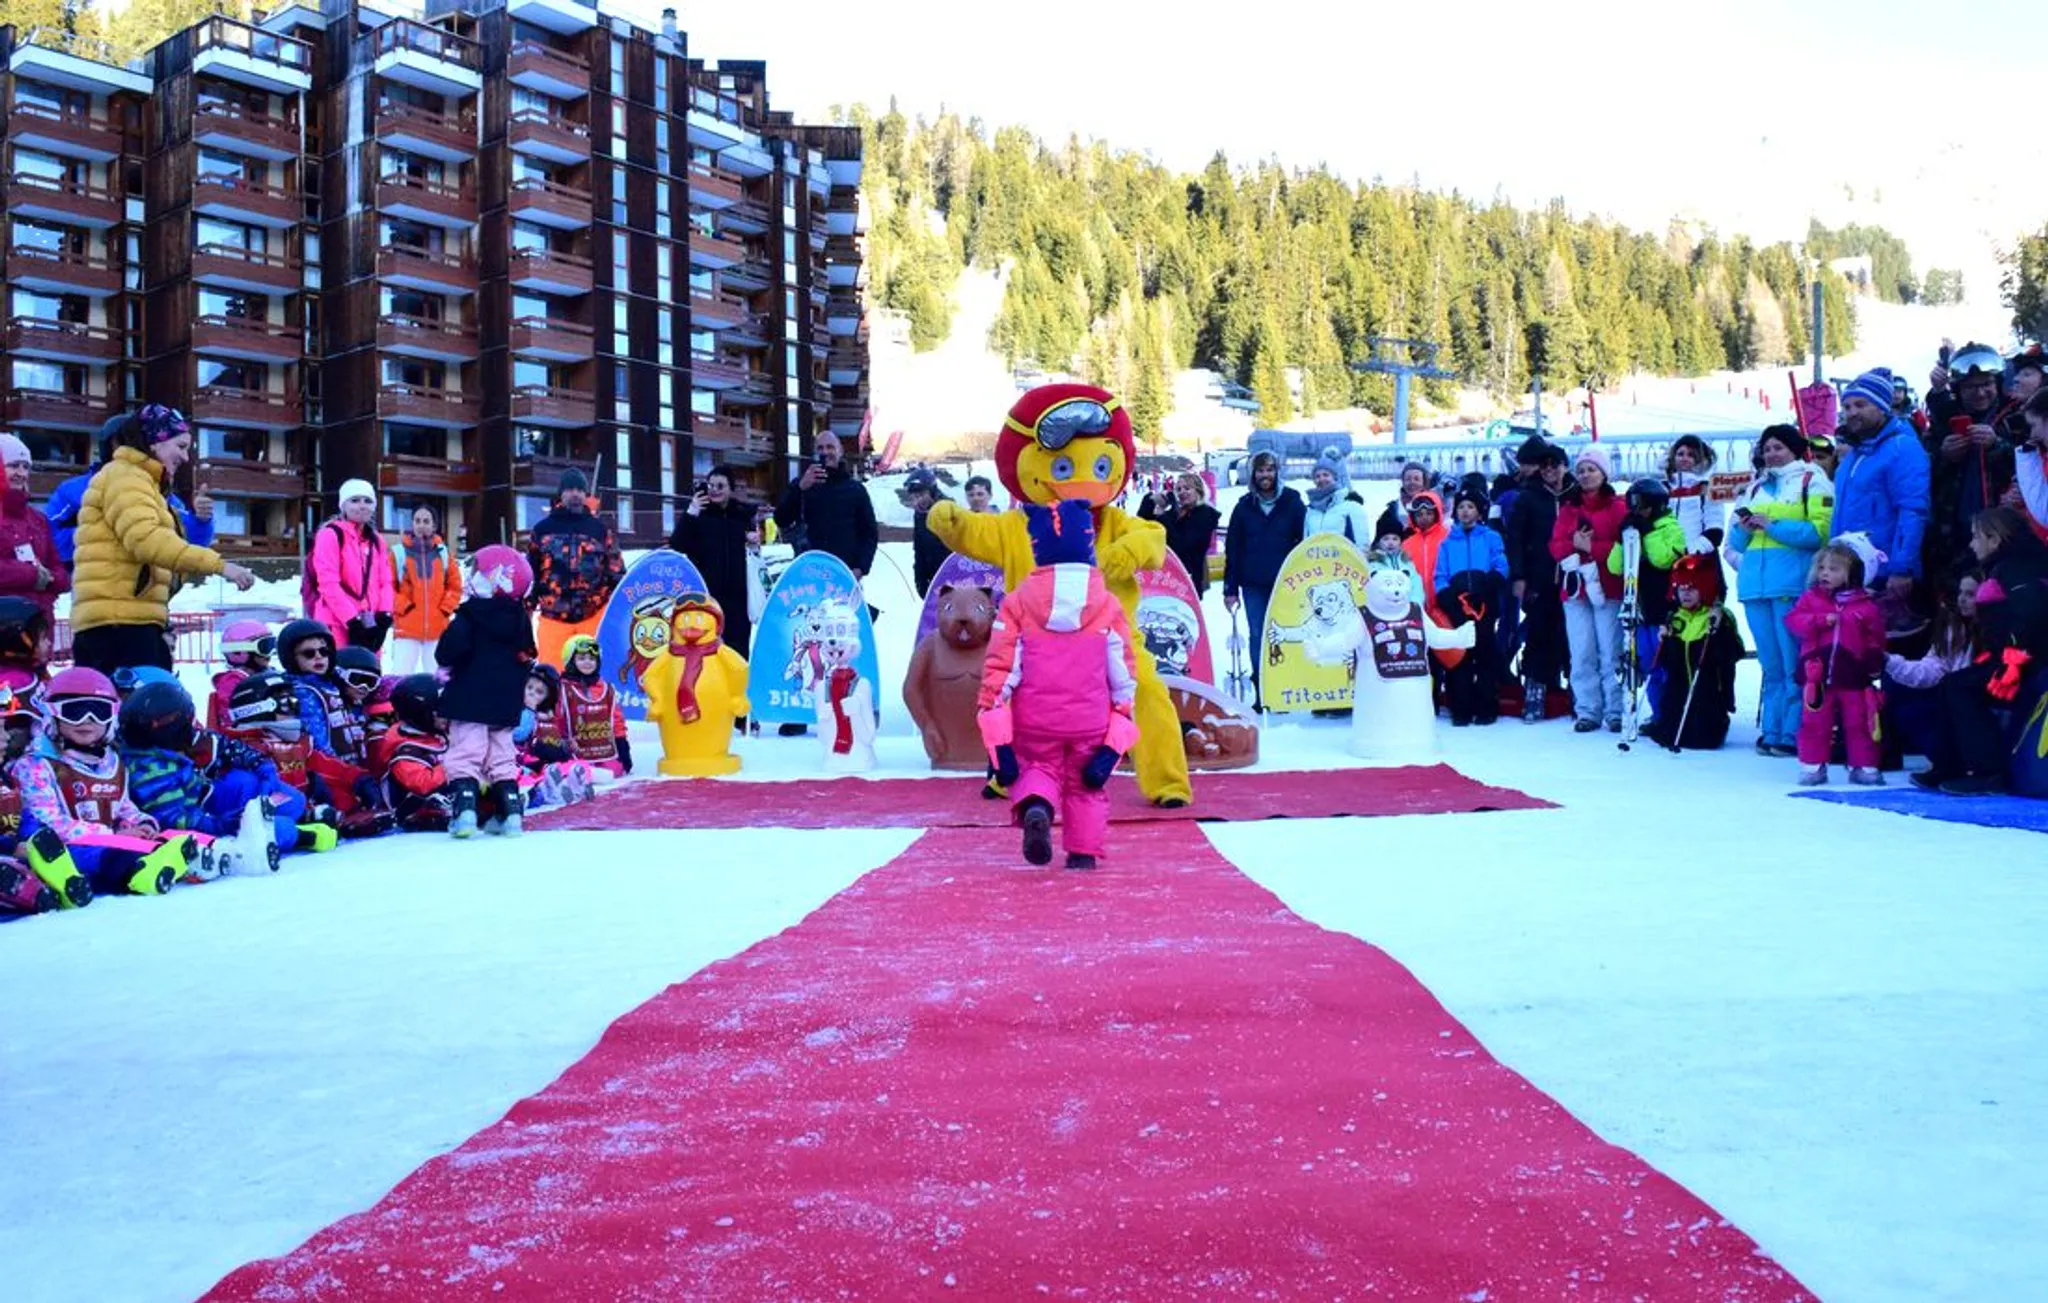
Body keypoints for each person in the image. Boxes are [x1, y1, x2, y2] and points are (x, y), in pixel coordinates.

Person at [976, 501, 1140, 871]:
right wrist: (1120, 720)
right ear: (1088, 547)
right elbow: (1122, 671)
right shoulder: (1108, 605)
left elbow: (1001, 668)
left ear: (1038, 550)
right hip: (1091, 718)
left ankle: (1038, 806)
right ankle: (1082, 854)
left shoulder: (1017, 603)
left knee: (1037, 766)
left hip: (1036, 718)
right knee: (1085, 787)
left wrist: (996, 730)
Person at [69, 405, 256, 674]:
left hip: (128, 621)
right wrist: (220, 566)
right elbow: (148, 541)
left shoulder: (145, 483)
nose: (185, 456)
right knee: (146, 710)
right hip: (118, 627)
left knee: (155, 704)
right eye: (180, 446)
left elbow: (166, 549)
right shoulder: (126, 478)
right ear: (155, 443)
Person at [9, 667, 197, 899]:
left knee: (167, 837)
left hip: (110, 841)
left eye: (99, 711)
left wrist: (140, 823)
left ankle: (196, 856)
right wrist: (111, 834)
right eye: (74, 711)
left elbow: (124, 805)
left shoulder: (111, 763)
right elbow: (47, 822)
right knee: (106, 855)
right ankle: (140, 872)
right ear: (52, 715)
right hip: (66, 851)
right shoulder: (37, 765)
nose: (87, 720)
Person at [1913, 507, 2048, 794]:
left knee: (1962, 688)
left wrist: (2011, 659)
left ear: (1995, 538)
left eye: (1976, 537)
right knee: (1953, 683)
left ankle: (1987, 770)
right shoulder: (2009, 565)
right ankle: (1949, 764)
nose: (1972, 544)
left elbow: (2031, 616)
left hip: (2027, 663)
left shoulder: (2018, 568)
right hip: (2016, 657)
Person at [1725, 425, 1832, 757]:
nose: (1772, 454)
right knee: (1770, 665)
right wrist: (1746, 530)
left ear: (1795, 449)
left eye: (1778, 448)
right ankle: (1771, 730)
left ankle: (1793, 731)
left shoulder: (1811, 480)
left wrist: (1772, 525)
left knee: (1792, 663)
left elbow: (1819, 532)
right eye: (1767, 448)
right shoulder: (1755, 486)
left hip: (1790, 583)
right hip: (1755, 587)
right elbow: (1734, 542)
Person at [439, 545, 539, 837]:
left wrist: (448, 660)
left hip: (469, 700)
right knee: (502, 757)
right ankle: (510, 815)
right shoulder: (520, 618)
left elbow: (449, 651)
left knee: (466, 755)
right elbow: (527, 654)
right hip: (504, 702)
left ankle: (465, 813)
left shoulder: (470, 615)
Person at [44, 414, 215, 564]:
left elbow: (189, 544)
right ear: (111, 444)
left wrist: (201, 520)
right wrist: (105, 535)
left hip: (144, 594)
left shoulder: (162, 494)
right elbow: (45, 541)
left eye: (138, 443)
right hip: (90, 590)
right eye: (127, 442)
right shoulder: (76, 489)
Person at [1786, 537, 1889, 786]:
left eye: (1834, 569)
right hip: (1816, 676)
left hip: (1853, 675)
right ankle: (1813, 765)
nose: (1825, 574)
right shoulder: (1811, 599)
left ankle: (1863, 765)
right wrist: (1819, 620)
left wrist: (1873, 663)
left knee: (1860, 722)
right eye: (1822, 568)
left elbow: (1876, 638)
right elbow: (1794, 622)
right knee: (1814, 722)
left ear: (1852, 572)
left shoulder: (1865, 606)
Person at [1831, 368, 1930, 617]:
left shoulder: (1901, 447)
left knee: (1884, 651)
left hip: (1883, 572)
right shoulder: (1854, 454)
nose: (1852, 412)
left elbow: (1913, 510)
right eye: (1847, 406)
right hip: (1850, 568)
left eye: (1861, 405)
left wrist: (1902, 568)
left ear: (1882, 407)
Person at [1549, 446, 1629, 733]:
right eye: (1581, 470)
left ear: (1604, 473)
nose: (1585, 475)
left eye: (1591, 469)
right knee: (1581, 651)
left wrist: (1592, 548)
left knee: (1610, 650)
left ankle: (1615, 709)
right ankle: (1587, 709)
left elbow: (1626, 547)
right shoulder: (1569, 507)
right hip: (1576, 589)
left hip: (1608, 587)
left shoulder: (1619, 507)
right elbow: (1556, 544)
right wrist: (1574, 547)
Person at [1924, 343, 2015, 586]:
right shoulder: (1944, 419)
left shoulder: (2015, 417)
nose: (1980, 392)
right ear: (1958, 389)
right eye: (1970, 387)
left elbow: (2029, 464)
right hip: (1953, 530)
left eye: (1986, 384)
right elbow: (1921, 470)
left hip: (2001, 529)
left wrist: (1997, 446)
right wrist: (1943, 455)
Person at [1220, 449, 1305, 711]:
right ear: (1253, 474)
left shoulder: (1292, 501)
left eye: (1269, 469)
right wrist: (1229, 588)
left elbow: (1303, 541)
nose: (1265, 475)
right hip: (1253, 582)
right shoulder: (1244, 506)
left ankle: (1285, 687)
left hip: (1285, 583)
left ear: (1277, 472)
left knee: (1285, 634)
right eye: (1260, 470)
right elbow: (1233, 549)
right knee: (1258, 635)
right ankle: (1262, 691)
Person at [526, 468, 625, 670]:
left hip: (593, 615)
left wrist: (618, 607)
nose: (575, 494)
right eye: (570, 489)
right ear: (561, 493)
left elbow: (615, 571)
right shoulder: (542, 529)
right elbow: (531, 574)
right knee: (551, 676)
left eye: (580, 490)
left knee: (593, 674)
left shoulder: (599, 529)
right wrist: (526, 608)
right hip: (553, 617)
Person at [1643, 552, 1743, 751]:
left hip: (1708, 690)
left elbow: (1733, 652)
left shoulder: (1718, 616)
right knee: (1668, 730)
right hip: (1679, 691)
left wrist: (1718, 633)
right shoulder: (1675, 618)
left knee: (1704, 738)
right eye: (1681, 589)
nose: (1685, 594)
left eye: (1692, 588)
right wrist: (1666, 641)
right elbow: (1667, 663)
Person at [1883, 570, 1980, 766]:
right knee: (1892, 689)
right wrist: (1888, 661)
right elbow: (1932, 669)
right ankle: (1887, 755)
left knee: (1925, 709)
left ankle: (1960, 762)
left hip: (1975, 703)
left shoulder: (1991, 631)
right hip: (1951, 697)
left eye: (1971, 595)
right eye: (1961, 593)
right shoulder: (1953, 629)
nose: (1962, 600)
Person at [1503, 442, 1569, 721]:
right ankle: (1535, 689)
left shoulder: (1575, 493)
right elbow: (1515, 539)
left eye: (1555, 465)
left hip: (1572, 576)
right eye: (1545, 466)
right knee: (1538, 632)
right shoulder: (1528, 497)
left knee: (1571, 635)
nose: (1550, 471)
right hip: (1538, 577)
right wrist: (1518, 575)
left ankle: (1574, 688)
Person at [1433, 485, 1509, 726]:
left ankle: (1487, 706)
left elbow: (1501, 566)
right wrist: (1449, 600)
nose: (1465, 512)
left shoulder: (1490, 537)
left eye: (1470, 507)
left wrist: (1486, 588)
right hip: (1457, 605)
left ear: (1479, 511)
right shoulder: (1447, 543)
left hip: (1484, 604)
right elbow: (1440, 575)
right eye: (1461, 507)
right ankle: (1461, 707)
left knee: (1485, 655)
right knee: (1460, 656)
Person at [667, 466, 761, 659]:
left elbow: (753, 553)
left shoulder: (742, 515)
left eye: (721, 485)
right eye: (711, 485)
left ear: (730, 489)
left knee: (737, 649)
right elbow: (677, 544)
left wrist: (753, 541)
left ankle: (737, 686)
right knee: (707, 645)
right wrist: (691, 512)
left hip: (738, 597)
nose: (715, 490)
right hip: (708, 594)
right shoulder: (700, 514)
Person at [774, 431, 879, 583]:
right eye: (820, 448)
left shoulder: (855, 490)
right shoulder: (802, 485)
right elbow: (781, 519)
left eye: (830, 447)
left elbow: (869, 533)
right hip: (808, 572)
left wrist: (860, 568)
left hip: (844, 572)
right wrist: (800, 488)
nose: (825, 452)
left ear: (840, 451)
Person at [304, 479, 395, 652]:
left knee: (368, 674)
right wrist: (352, 621)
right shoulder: (330, 535)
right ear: (343, 505)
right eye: (355, 500)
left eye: (368, 501)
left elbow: (386, 581)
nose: (362, 506)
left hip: (370, 624)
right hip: (336, 623)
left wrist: (384, 616)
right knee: (338, 673)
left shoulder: (376, 541)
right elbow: (328, 583)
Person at [388, 503, 463, 675]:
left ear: (434, 525)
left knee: (437, 678)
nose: (421, 525)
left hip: (437, 629)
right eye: (417, 520)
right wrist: (403, 607)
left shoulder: (444, 554)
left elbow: (455, 586)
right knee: (401, 678)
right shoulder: (398, 553)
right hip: (406, 629)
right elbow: (387, 587)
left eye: (426, 521)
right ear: (412, 524)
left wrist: (444, 610)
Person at [0, 433, 68, 617]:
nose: (21, 473)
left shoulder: (38, 519)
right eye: (13, 466)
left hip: (39, 627)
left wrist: (51, 579)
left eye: (26, 467)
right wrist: (32, 575)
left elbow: (59, 571)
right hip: (6, 625)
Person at [1136, 471, 1221, 595]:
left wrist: (1163, 516)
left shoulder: (1206, 514)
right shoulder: (1176, 513)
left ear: (1199, 490)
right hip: (1167, 576)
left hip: (1188, 578)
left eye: (1187, 488)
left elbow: (1183, 544)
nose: (1182, 492)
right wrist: (1150, 501)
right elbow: (1145, 527)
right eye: (1179, 489)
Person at [558, 635, 630, 776]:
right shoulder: (563, 689)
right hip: (575, 752)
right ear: (571, 661)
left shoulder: (606, 689)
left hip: (603, 751)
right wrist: (560, 743)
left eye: (592, 659)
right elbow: (557, 719)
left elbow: (616, 719)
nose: (588, 663)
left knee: (615, 771)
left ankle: (588, 774)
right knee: (572, 769)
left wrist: (622, 744)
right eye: (582, 658)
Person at [209, 620, 274, 733]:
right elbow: (230, 719)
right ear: (238, 651)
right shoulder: (231, 683)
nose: (270, 653)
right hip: (246, 739)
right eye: (265, 647)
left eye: (272, 645)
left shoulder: (271, 675)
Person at [1301, 448, 1371, 548]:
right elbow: (1306, 541)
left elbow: (1361, 541)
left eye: (1326, 475)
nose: (1321, 479)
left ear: (1334, 477)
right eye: (1317, 476)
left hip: (1343, 562)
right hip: (1317, 562)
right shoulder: (1310, 510)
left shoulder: (1350, 506)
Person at [1663, 434, 1721, 551]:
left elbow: (1715, 527)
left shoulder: (1708, 489)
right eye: (1680, 454)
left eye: (1691, 455)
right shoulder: (1663, 488)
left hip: (1696, 561)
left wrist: (1692, 551)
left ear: (1700, 460)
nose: (1684, 458)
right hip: (1663, 559)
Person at [905, 467, 950, 597]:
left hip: (952, 577)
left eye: (921, 495)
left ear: (932, 491)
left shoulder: (948, 510)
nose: (917, 500)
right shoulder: (919, 515)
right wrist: (920, 579)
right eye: (913, 497)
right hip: (932, 578)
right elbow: (919, 549)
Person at [1374, 462, 1431, 540]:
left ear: (1424, 483)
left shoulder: (1434, 510)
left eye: (1416, 479)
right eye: (1408, 479)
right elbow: (1377, 544)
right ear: (1403, 483)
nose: (1412, 482)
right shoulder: (1390, 513)